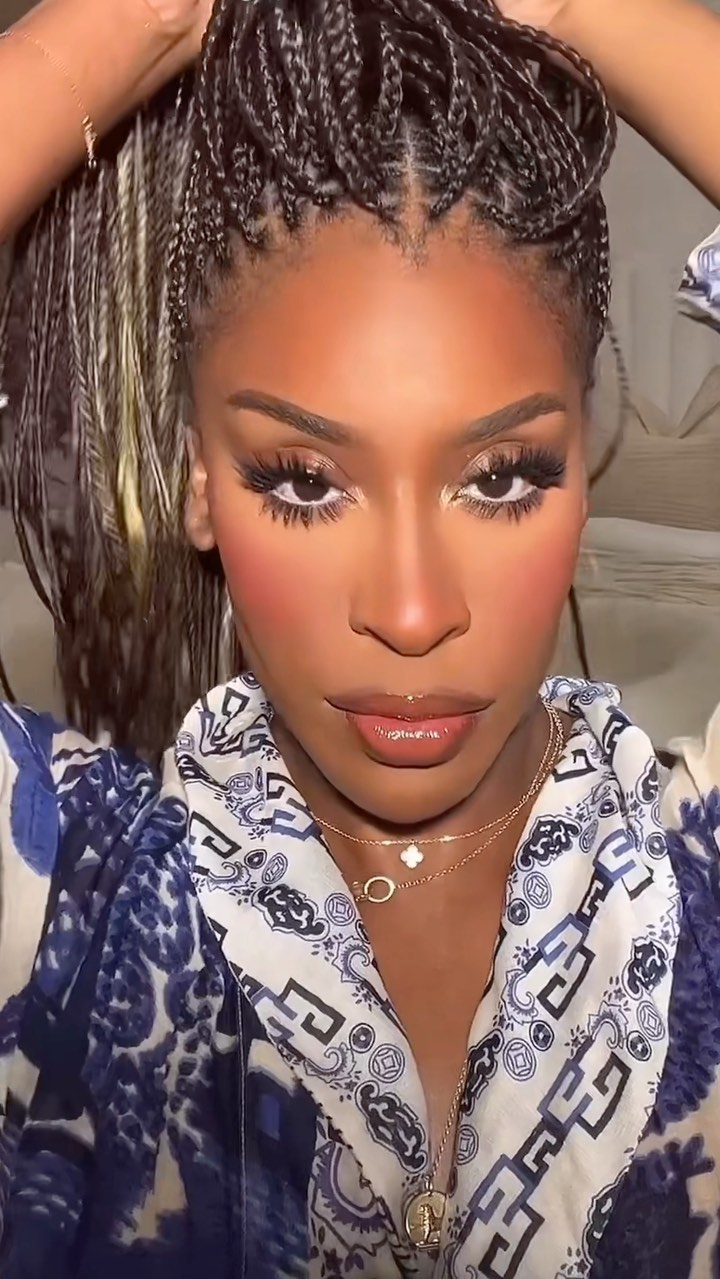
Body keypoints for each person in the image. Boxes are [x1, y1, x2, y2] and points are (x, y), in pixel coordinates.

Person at [0, 0, 718, 1276]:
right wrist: (129, 28)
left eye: (502, 475)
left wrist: (577, 11)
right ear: (198, 482)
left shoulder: (693, 882)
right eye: (303, 479)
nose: (411, 609)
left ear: (583, 464)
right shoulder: (63, 910)